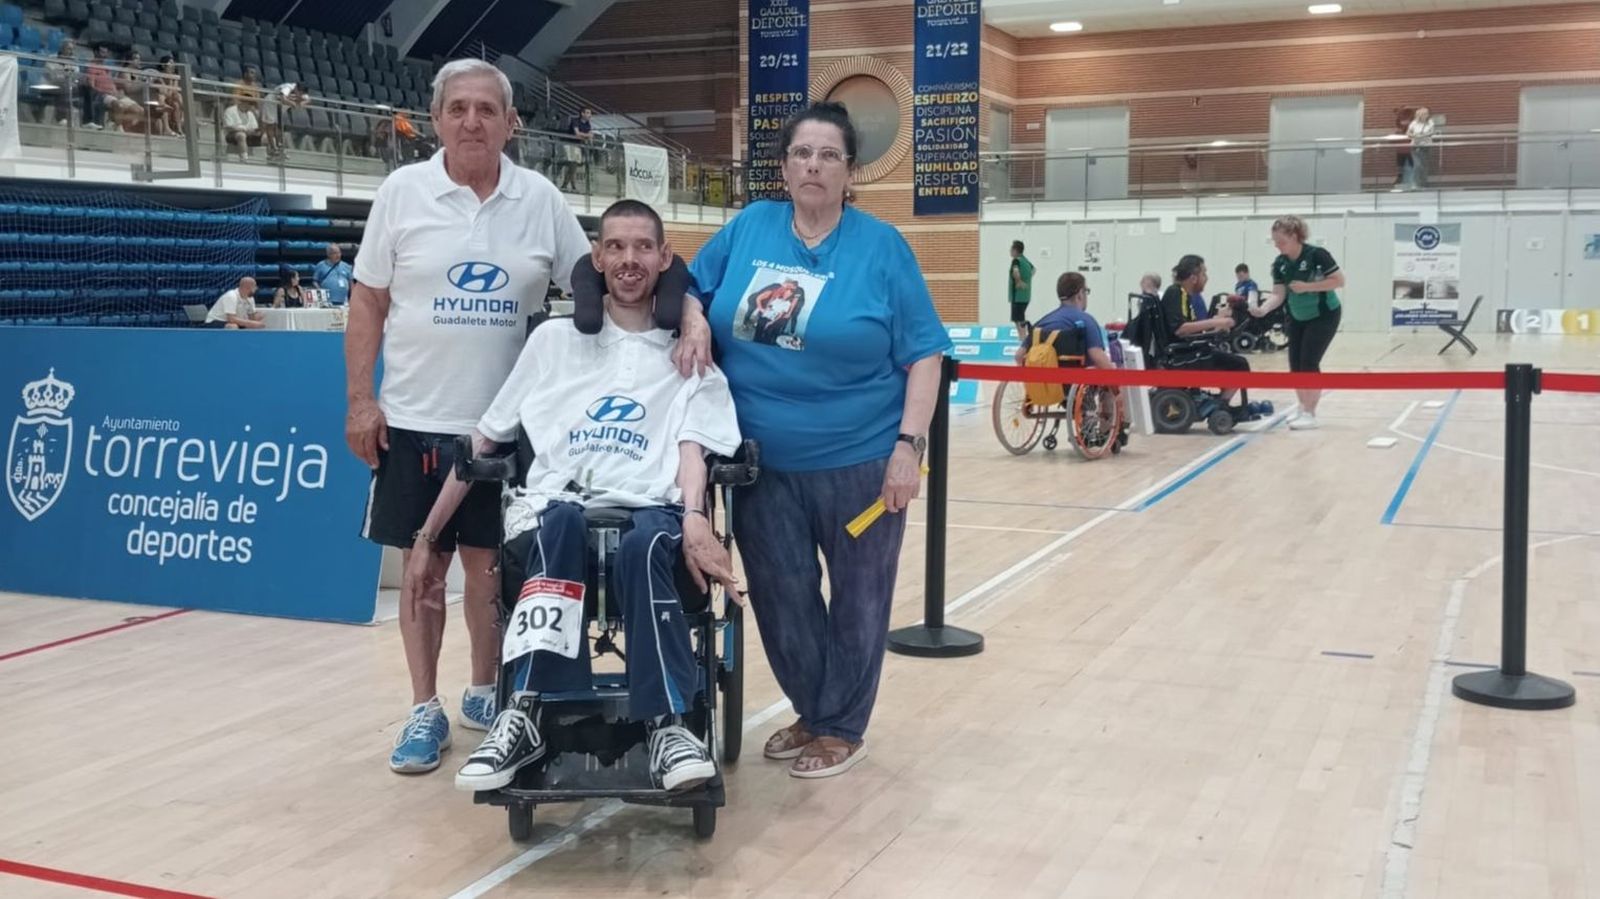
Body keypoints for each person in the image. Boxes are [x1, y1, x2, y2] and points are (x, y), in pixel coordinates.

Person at [345, 58, 711, 776]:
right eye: (459, 108)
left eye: (488, 109)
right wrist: (361, 398)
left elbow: (612, 269)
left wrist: (689, 310)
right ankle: (425, 708)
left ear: (512, 124)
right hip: (418, 411)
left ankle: (491, 693)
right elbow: (367, 301)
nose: (473, 121)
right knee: (423, 574)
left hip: (508, 429)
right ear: (437, 118)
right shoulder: (400, 192)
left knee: (491, 573)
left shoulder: (538, 198)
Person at [404, 200, 741, 793]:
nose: (629, 260)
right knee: (555, 520)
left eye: (643, 248)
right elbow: (485, 437)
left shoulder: (690, 355)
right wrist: (427, 538)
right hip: (558, 514)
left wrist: (695, 519)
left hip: (652, 518)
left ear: (665, 259)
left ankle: (666, 724)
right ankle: (529, 711)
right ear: (597, 257)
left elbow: (692, 453)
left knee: (643, 544)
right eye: (616, 246)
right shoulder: (553, 343)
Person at [687, 101, 952, 779]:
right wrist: (691, 319)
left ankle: (841, 724)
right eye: (802, 153)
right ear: (783, 166)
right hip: (760, 465)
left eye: (828, 155)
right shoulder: (750, 227)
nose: (813, 165)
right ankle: (814, 705)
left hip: (860, 461)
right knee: (780, 596)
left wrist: (908, 446)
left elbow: (925, 352)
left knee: (859, 598)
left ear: (849, 171)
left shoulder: (881, 246)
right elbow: (688, 283)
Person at [1251, 216, 1344, 430]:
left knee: (1309, 363)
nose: (1277, 246)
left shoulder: (1317, 255)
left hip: (1323, 315)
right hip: (1296, 316)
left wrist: (1307, 286)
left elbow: (1339, 281)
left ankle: (1311, 413)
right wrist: (1263, 309)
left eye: (1281, 241)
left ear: (1294, 236)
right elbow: (1278, 294)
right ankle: (1303, 407)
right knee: (1295, 366)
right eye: (1275, 242)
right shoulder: (1280, 264)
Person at [1016, 272, 1127, 423]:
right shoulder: (1086, 320)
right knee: (1109, 375)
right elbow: (1097, 356)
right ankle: (1105, 430)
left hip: (1044, 384)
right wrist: (1116, 381)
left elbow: (1019, 356)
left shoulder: (1042, 322)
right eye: (1086, 291)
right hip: (1077, 385)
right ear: (1080, 294)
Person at [1160, 254, 1247, 405]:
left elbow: (1192, 327)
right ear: (1193, 277)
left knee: (1228, 358)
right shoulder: (1176, 293)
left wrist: (1216, 322)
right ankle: (1220, 405)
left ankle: (1218, 402)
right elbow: (1180, 329)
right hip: (1181, 354)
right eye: (1204, 273)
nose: (1206, 278)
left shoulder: (1185, 295)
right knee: (1240, 365)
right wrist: (1220, 321)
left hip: (1186, 348)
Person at [1008, 240, 1035, 336]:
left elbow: (1015, 271)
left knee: (1018, 318)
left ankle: (1022, 337)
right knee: (1019, 317)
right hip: (1026, 295)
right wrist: (1027, 279)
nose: (1010, 251)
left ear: (1015, 250)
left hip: (1017, 295)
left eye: (1011, 249)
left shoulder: (1016, 261)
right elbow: (1033, 269)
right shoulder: (1025, 260)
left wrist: (1019, 281)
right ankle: (1022, 336)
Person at [1406, 106, 1436, 189]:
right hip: (1416, 146)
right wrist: (1415, 136)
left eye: (1427, 113)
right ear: (1419, 114)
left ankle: (1423, 183)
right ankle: (1415, 184)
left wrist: (1421, 136)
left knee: (1424, 165)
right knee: (1417, 165)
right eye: (1424, 113)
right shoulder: (1414, 123)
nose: (1426, 115)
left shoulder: (1430, 122)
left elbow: (1431, 132)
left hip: (1426, 146)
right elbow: (1408, 133)